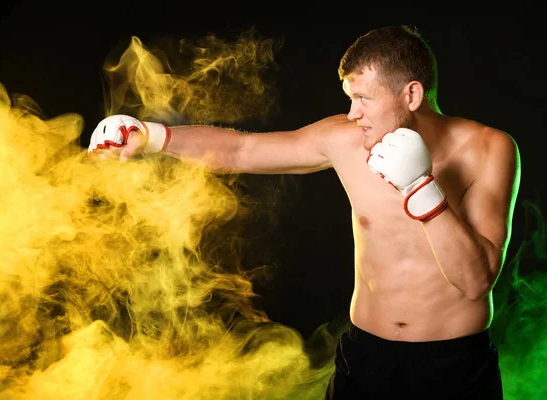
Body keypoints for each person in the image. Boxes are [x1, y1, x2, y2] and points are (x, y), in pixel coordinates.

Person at [88, 25, 520, 399]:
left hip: (454, 367)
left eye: (364, 99)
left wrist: (421, 189)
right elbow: (242, 149)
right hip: (366, 358)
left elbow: (475, 281)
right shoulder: (345, 139)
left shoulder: (489, 149)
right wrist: (152, 136)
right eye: (350, 98)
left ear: (411, 94)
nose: (354, 114)